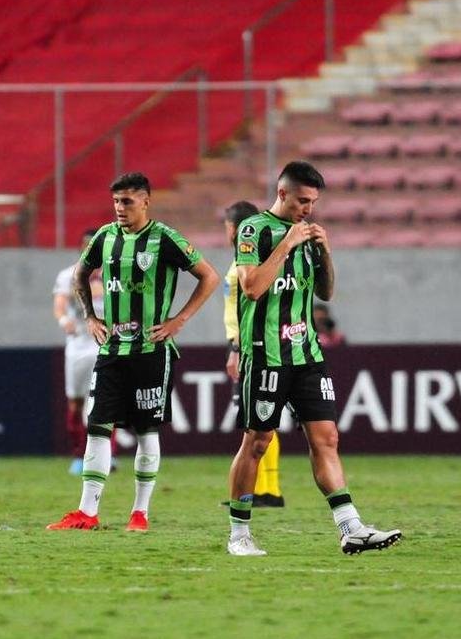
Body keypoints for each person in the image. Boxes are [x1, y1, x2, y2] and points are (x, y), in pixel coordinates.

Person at [227, 161, 401, 556]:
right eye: (303, 200)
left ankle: (350, 528)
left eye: (313, 202)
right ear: (282, 193)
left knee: (327, 438)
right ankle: (239, 534)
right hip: (266, 355)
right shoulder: (253, 230)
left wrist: (325, 252)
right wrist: (286, 245)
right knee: (257, 441)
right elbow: (251, 287)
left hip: (307, 353)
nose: (308, 209)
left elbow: (326, 292)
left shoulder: (306, 234)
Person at [48, 172, 219, 532]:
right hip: (112, 350)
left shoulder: (165, 238)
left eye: (127, 201)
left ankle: (139, 513)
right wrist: (91, 317)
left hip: (151, 350)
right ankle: (87, 512)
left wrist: (178, 320)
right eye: (115, 201)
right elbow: (80, 275)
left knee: (145, 430)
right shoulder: (104, 237)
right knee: (97, 424)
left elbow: (209, 276)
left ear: (145, 201)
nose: (119, 208)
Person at [222, 200, 285, 508]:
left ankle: (266, 491)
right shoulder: (243, 260)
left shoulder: (249, 264)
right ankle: (265, 490)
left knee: (258, 422)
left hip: (248, 344)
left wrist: (236, 348)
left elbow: (249, 309)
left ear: (234, 228)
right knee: (260, 421)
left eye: (226, 227)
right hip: (245, 342)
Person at [53, 229, 103, 475]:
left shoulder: (113, 274)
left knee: (105, 401)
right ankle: (78, 454)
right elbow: (60, 305)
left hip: (105, 344)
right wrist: (64, 320)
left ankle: (107, 455)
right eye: (87, 246)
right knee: (76, 402)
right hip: (78, 345)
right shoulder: (68, 275)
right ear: (81, 248)